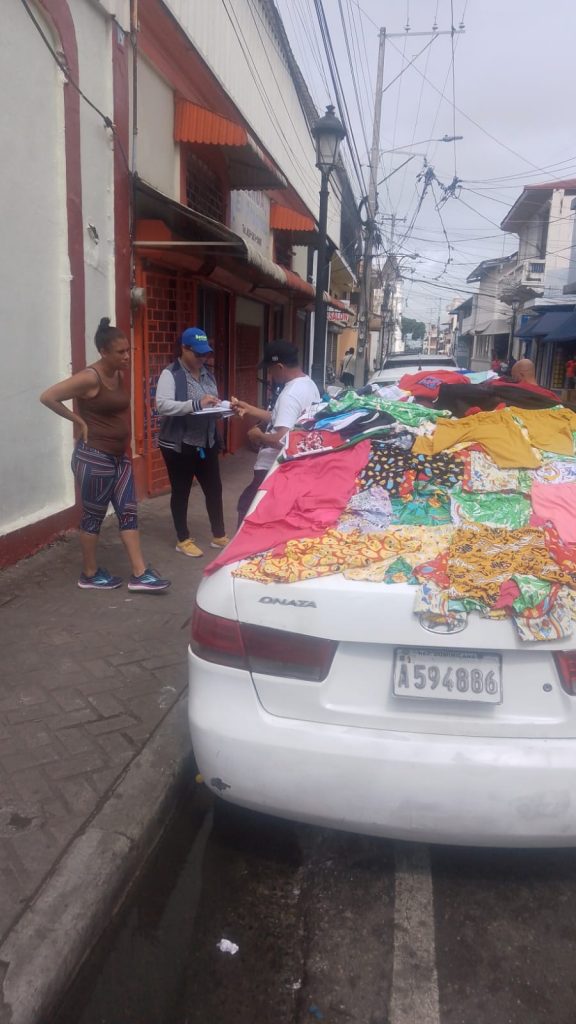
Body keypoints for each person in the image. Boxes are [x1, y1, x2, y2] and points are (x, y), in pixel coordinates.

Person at [40, 318, 171, 592]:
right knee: (93, 517)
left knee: (128, 511)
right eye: (120, 352)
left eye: (128, 350)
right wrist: (78, 420)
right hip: (94, 458)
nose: (127, 356)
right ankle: (89, 574)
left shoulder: (118, 374)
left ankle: (140, 574)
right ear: (103, 352)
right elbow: (48, 396)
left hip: (120, 458)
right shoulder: (90, 377)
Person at [156, 327, 229, 557]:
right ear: (184, 349)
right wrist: (196, 404)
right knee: (181, 491)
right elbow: (163, 405)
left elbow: (210, 402)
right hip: (181, 444)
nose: (202, 358)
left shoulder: (208, 374)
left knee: (214, 488)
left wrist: (222, 408)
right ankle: (183, 539)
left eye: (205, 354)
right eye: (197, 354)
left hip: (206, 442)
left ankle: (219, 535)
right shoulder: (172, 374)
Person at [232, 340, 321, 524]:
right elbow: (281, 418)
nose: (270, 374)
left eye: (271, 370)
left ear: (280, 367)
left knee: (247, 512)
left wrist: (258, 436)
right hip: (293, 468)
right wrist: (249, 409)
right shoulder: (308, 384)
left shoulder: (290, 394)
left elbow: (283, 440)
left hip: (271, 468)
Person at [492, 358, 558, 400]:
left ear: (521, 375)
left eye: (514, 377)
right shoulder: (551, 395)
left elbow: (493, 385)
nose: (513, 380)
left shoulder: (513, 390)